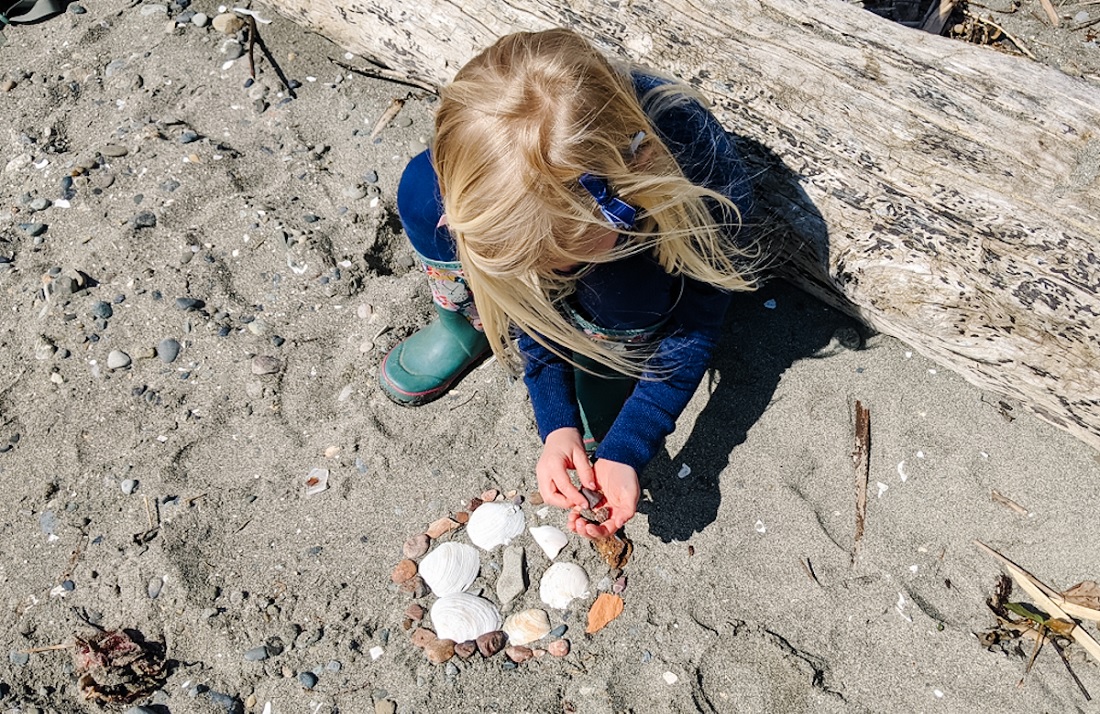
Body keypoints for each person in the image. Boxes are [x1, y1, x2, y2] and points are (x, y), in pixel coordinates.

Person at [381, 28, 758, 539]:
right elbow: (527, 297)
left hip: (642, 259)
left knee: (626, 288)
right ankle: (463, 325)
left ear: (628, 187)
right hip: (567, 217)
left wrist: (628, 444)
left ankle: (605, 357)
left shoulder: (704, 189)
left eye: (559, 262)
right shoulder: (489, 169)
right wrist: (557, 421)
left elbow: (692, 331)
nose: (542, 277)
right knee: (421, 193)